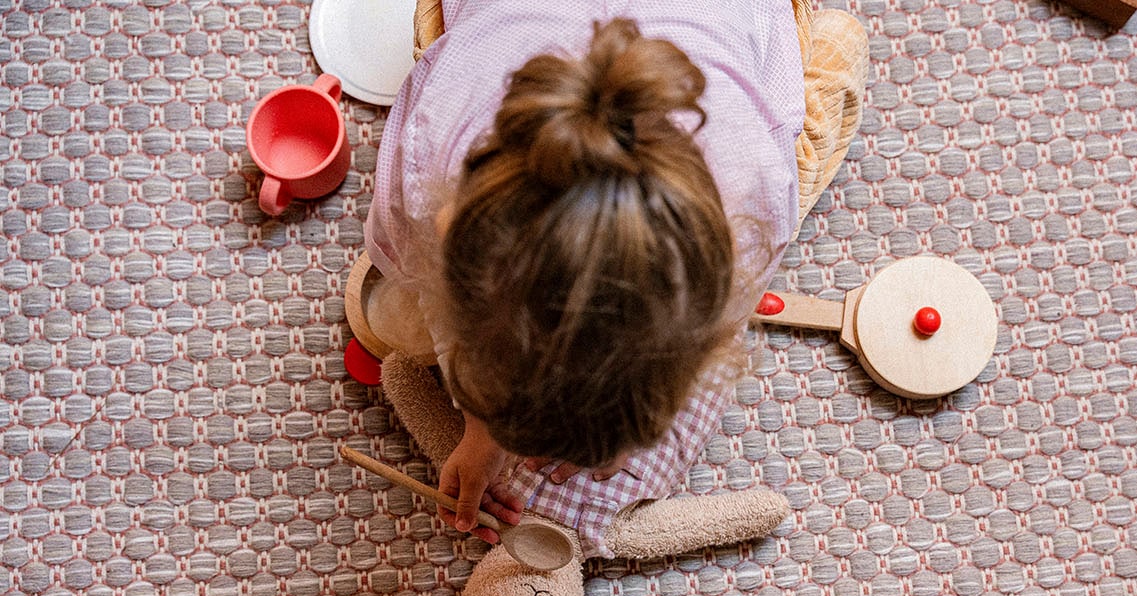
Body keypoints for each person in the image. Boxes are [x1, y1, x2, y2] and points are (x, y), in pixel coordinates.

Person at [352, 1, 868, 556]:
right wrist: (480, 428)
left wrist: (491, 422)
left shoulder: (753, 195)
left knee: (832, 55)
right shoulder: (423, 166)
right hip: (496, 49)